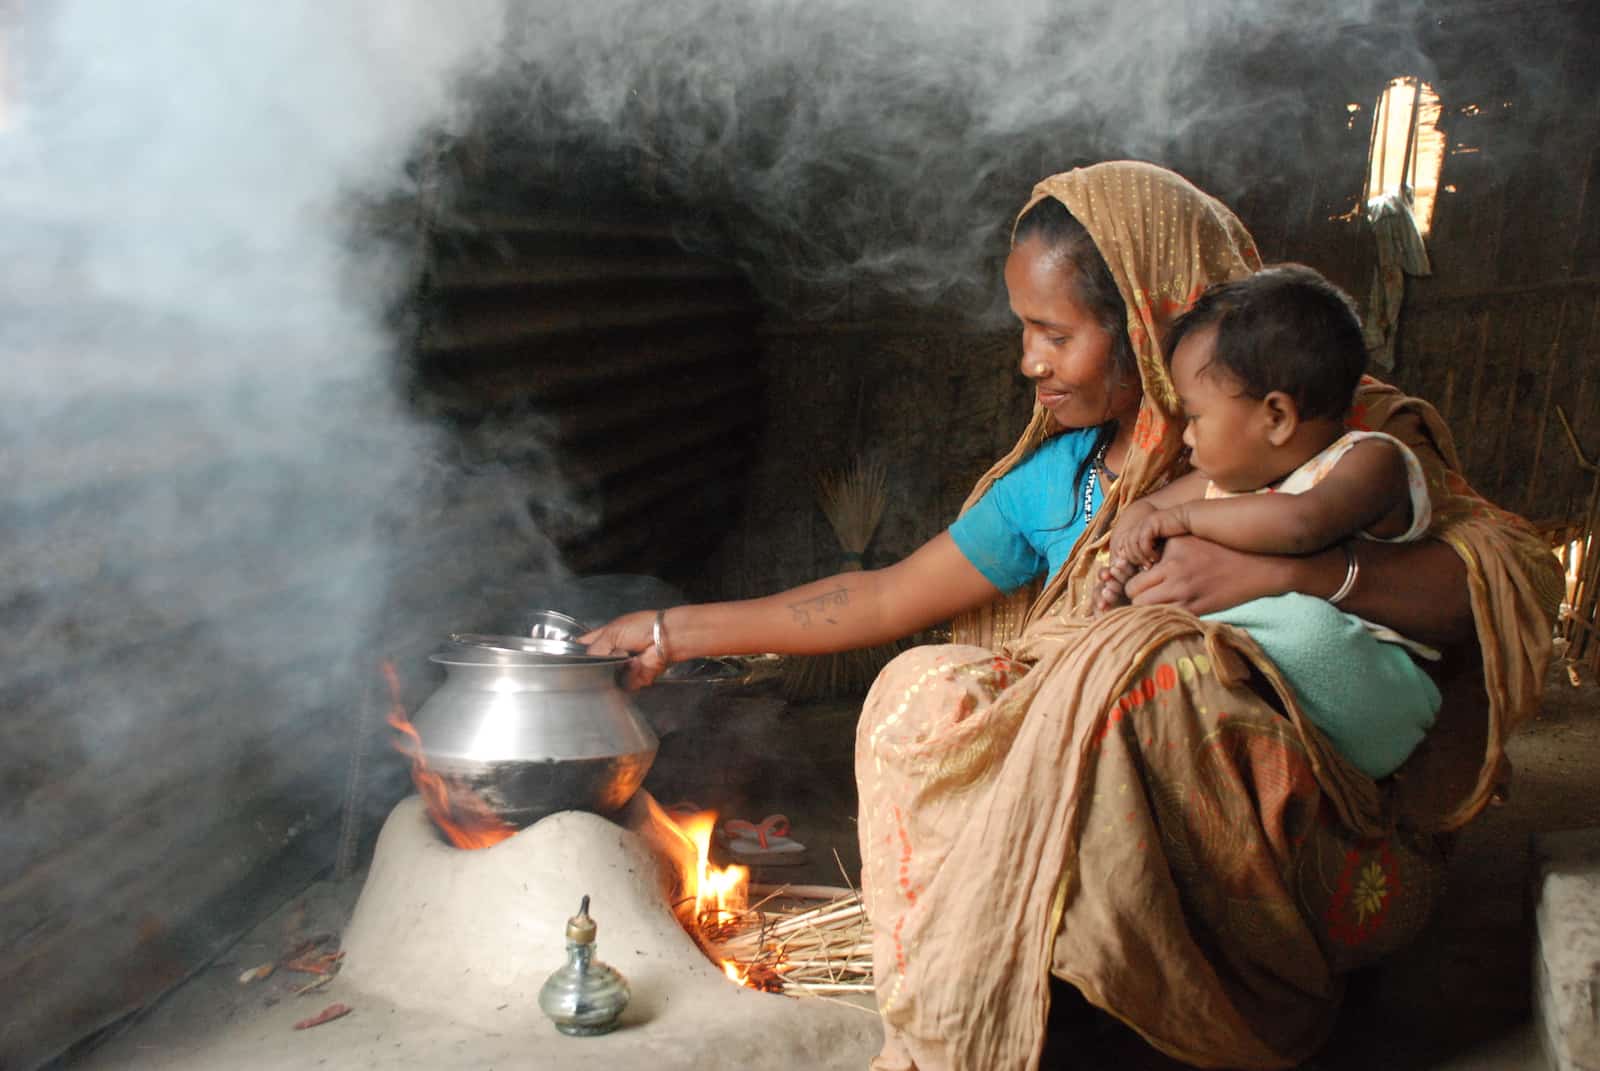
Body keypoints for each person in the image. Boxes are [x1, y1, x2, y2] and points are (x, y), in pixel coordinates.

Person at [582, 161, 1560, 1070]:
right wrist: (671, 634)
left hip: (1319, 838)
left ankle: (1198, 1014)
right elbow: (881, 597)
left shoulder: (1325, 426)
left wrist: (1277, 577)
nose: (1028, 364)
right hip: (1111, 780)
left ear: (1146, 320)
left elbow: (1490, 588)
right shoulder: (1067, 479)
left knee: (1151, 683)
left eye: (1054, 335)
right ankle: (1009, 1004)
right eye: (1024, 332)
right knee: (923, 691)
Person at [1095, 265, 1442, 780]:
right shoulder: (1226, 477)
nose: (1185, 438)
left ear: (1276, 417)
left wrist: (1186, 519)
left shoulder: (1369, 461)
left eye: (1194, 416)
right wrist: (1131, 550)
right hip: (1294, 708)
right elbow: (1147, 510)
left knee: (1301, 623)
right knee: (1172, 617)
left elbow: (1303, 525)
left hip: (1375, 699)